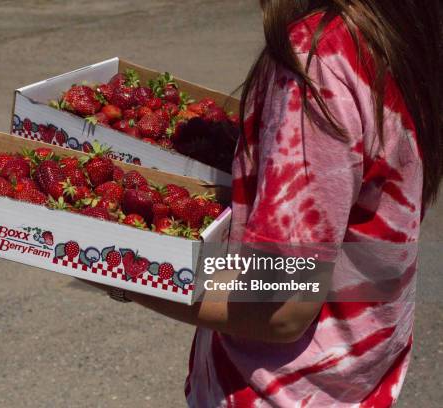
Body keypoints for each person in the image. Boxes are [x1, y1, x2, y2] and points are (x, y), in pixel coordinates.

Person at [87, 1, 442, 406]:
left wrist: (125, 275)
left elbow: (281, 303)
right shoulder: (393, 28)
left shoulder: (315, 62)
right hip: (354, 381)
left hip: (281, 392)